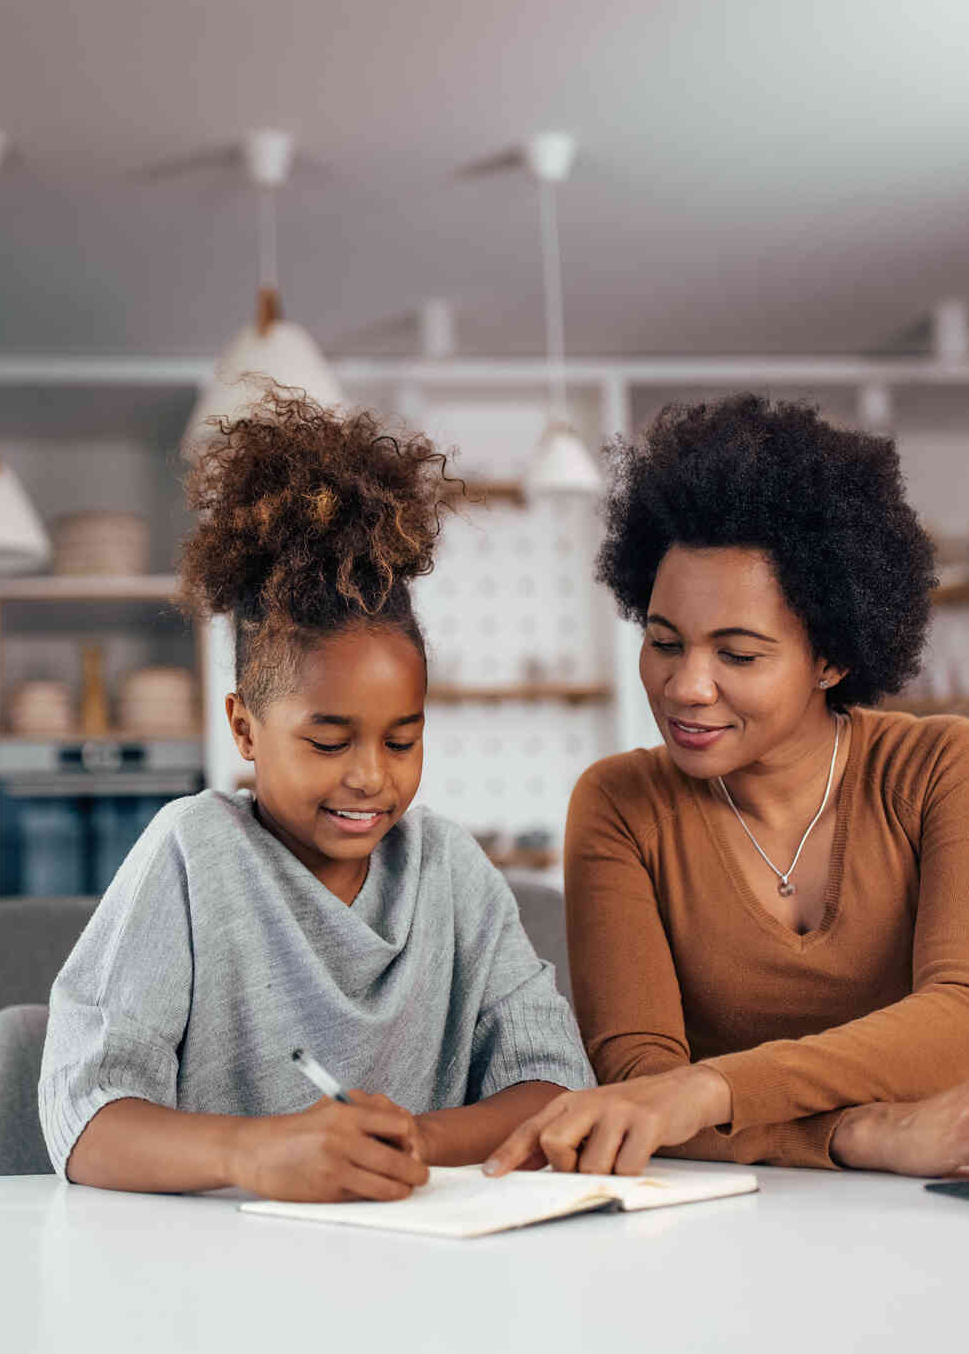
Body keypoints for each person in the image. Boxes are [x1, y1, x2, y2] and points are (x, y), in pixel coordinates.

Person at [40, 397, 593, 1202]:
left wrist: (415, 1138)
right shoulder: (193, 852)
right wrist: (253, 1155)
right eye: (329, 742)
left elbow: (552, 1087)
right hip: (210, 1279)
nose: (371, 776)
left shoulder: (449, 870)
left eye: (402, 740)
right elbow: (86, 1120)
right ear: (245, 727)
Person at [486, 394, 969, 1179]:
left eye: (737, 655)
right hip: (724, 1217)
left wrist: (709, 1090)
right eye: (664, 642)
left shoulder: (945, 768)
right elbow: (638, 1093)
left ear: (832, 658)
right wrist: (861, 1134)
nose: (686, 687)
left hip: (939, 1209)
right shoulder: (620, 806)